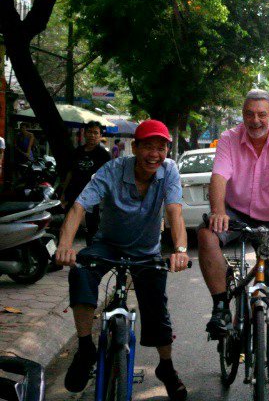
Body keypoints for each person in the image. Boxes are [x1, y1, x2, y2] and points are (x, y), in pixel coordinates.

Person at [55, 119, 190, 401]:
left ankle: (166, 367)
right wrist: (65, 246)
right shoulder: (113, 169)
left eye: (161, 148)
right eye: (148, 147)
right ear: (135, 147)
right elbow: (80, 206)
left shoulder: (169, 171)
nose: (155, 154)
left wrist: (179, 249)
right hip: (107, 245)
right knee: (80, 271)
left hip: (146, 251)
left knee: (156, 309)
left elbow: (175, 212)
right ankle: (84, 348)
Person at [197, 89, 269, 392]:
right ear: (243, 114)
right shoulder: (230, 138)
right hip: (235, 213)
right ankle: (221, 305)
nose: (255, 120)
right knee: (206, 233)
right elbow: (219, 176)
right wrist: (218, 211)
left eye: (262, 114)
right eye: (249, 114)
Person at [59, 122, 111, 245]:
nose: (92, 135)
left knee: (92, 229)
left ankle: (90, 256)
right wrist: (63, 192)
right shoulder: (77, 152)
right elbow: (70, 173)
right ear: (84, 133)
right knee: (68, 224)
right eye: (89, 132)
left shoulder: (104, 155)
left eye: (95, 133)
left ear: (100, 135)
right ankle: (62, 253)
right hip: (74, 194)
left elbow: (109, 177)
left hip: (94, 197)